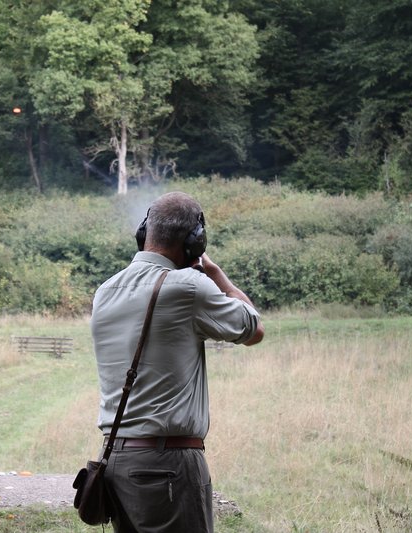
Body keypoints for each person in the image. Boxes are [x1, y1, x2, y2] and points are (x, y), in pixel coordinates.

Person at [90, 191, 264, 533]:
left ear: (144, 232)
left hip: (115, 460)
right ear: (195, 242)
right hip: (166, 464)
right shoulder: (188, 286)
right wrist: (215, 273)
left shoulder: (105, 291)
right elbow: (253, 328)